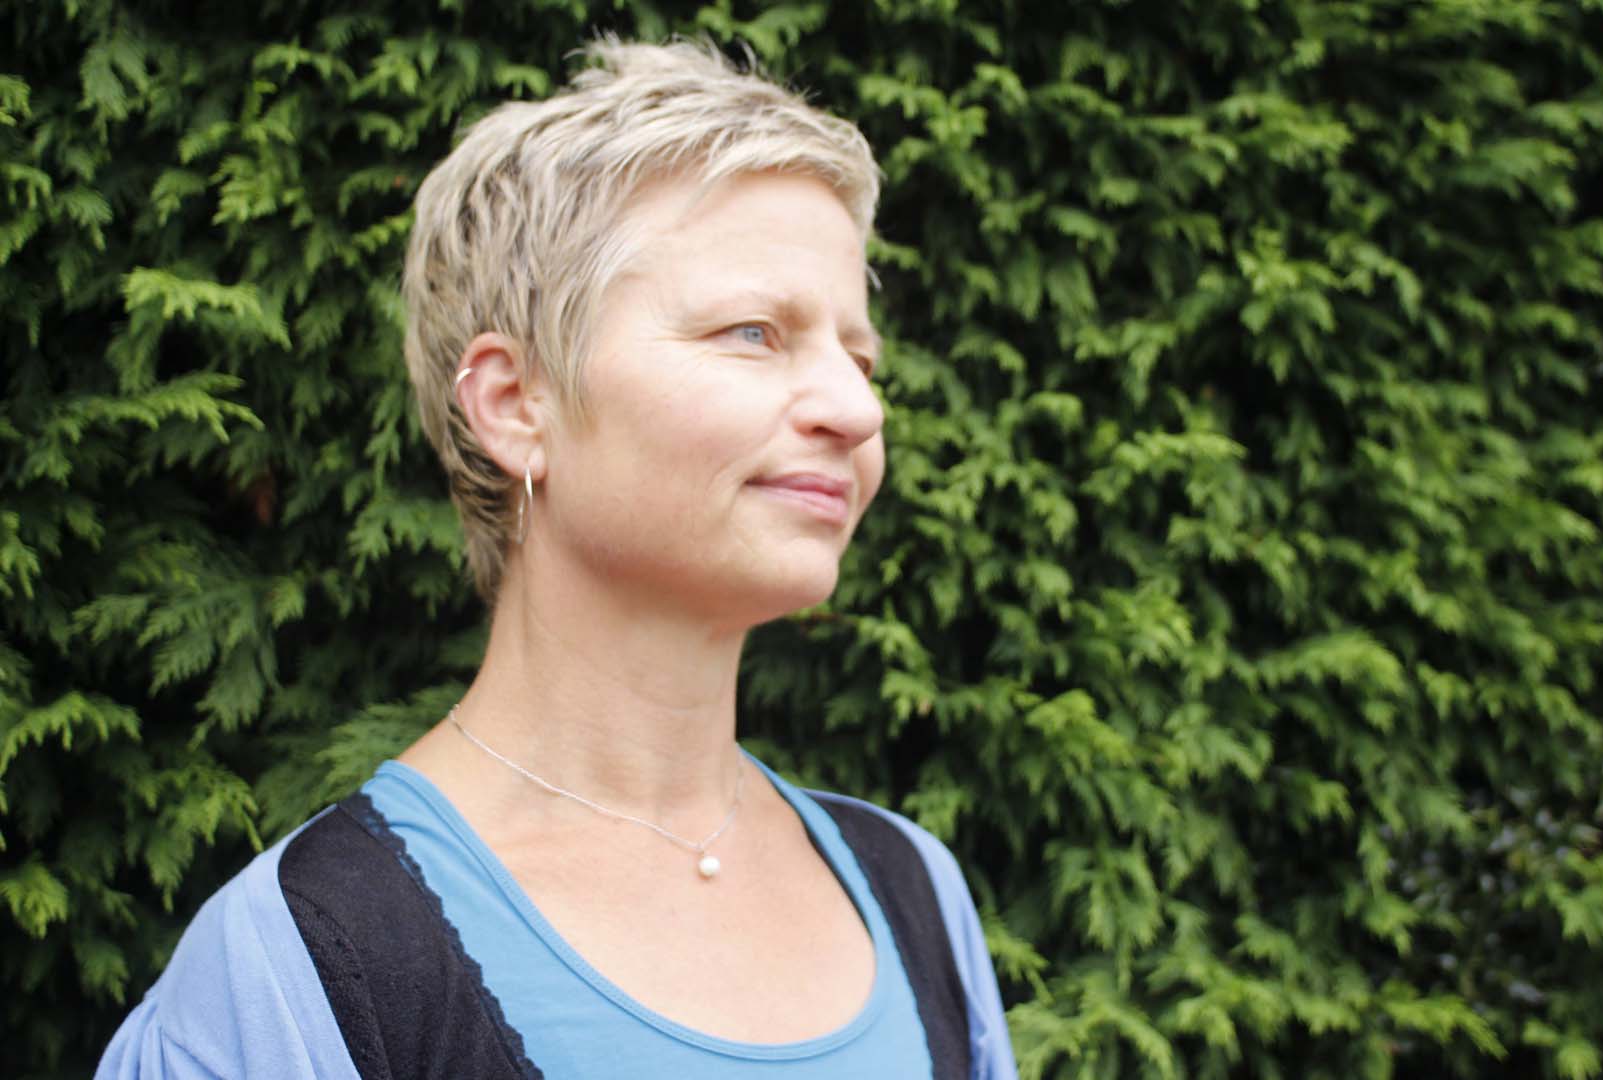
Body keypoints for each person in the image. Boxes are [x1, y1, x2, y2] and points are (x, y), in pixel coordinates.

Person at [97, 39, 1015, 1079]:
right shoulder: (308, 966)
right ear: (514, 406)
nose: (857, 410)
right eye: (753, 333)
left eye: (858, 356)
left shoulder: (913, 896)